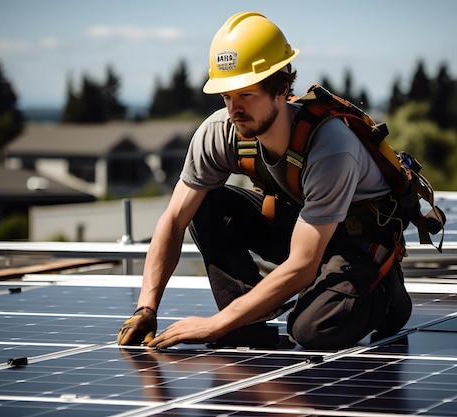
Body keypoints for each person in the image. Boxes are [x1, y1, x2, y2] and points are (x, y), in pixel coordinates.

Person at [116, 11, 412, 350]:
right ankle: (247, 322)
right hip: (307, 230)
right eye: (226, 96)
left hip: (357, 243)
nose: (234, 109)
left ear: (282, 89)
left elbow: (302, 265)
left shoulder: (330, 147)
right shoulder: (221, 132)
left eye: (245, 95)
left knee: (311, 331)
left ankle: (388, 296)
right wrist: (146, 307)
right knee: (207, 205)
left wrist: (214, 326)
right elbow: (173, 219)